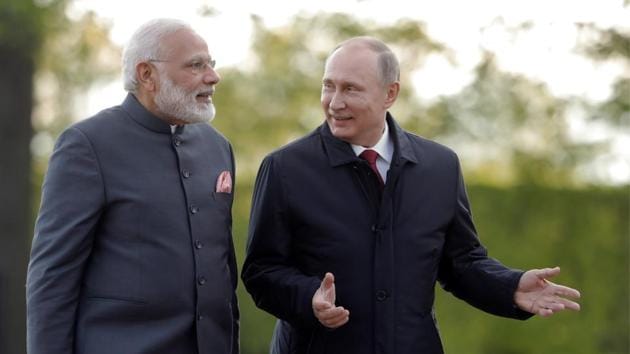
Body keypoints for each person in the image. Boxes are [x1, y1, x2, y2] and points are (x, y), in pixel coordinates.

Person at [241, 36, 580, 354]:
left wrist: (510, 286)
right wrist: (308, 298)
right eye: (328, 86)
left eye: (351, 89)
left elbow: (461, 263)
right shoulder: (284, 169)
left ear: (390, 94)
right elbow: (261, 270)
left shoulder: (440, 166)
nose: (335, 102)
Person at [26, 18, 238, 354]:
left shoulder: (217, 146)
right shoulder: (87, 145)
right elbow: (53, 278)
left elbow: (223, 268)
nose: (213, 77)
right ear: (146, 75)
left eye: (211, 64)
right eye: (196, 66)